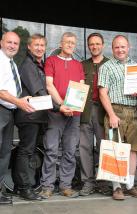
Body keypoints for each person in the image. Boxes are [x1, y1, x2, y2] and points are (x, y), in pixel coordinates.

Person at [12, 34, 73, 201]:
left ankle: (20, 187)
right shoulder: (28, 65)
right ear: (29, 47)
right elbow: (39, 92)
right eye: (36, 45)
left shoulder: (38, 64)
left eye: (42, 45)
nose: (39, 48)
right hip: (29, 116)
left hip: (37, 116)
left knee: (28, 151)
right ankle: (25, 188)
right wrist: (59, 107)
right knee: (26, 151)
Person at [98, 35, 137, 200]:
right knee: (115, 150)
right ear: (112, 49)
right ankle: (117, 187)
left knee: (133, 149)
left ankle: (130, 185)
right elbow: (102, 93)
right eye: (117, 47)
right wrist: (111, 114)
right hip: (115, 111)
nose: (120, 50)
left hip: (133, 111)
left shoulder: (135, 66)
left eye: (123, 47)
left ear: (129, 48)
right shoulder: (106, 66)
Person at [39, 32, 85, 199]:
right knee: (51, 150)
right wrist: (61, 105)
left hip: (74, 113)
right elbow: (49, 85)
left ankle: (65, 185)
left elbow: (80, 86)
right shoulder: (51, 61)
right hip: (55, 113)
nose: (70, 45)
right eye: (67, 42)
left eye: (73, 43)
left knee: (70, 151)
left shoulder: (78, 65)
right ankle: (47, 186)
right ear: (61, 43)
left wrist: (73, 105)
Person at [0, 31, 35, 205]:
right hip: (2, 110)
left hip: (8, 112)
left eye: (15, 43)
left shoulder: (11, 63)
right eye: (9, 42)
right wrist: (18, 102)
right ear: (1, 42)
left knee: (4, 153)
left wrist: (21, 101)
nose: (12, 46)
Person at [79, 33, 110, 196]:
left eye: (97, 44)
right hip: (85, 109)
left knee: (104, 147)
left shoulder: (111, 64)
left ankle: (104, 182)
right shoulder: (81, 65)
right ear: (88, 46)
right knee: (85, 147)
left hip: (104, 111)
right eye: (91, 44)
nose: (94, 46)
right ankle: (87, 182)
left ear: (103, 45)